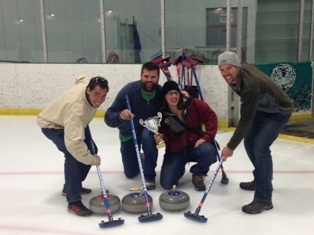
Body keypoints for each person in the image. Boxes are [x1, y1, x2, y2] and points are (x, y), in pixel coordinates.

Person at [217, 51, 293, 214]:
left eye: (229, 68)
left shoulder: (250, 85)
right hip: (262, 108)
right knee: (250, 141)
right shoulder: (237, 74)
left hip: (279, 111)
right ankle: (262, 179)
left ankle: (264, 199)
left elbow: (245, 120)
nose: (225, 73)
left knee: (260, 147)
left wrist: (230, 146)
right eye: (222, 70)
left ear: (237, 67)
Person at [37, 76, 109, 216]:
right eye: (96, 95)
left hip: (68, 121)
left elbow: (81, 77)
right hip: (53, 125)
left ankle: (70, 186)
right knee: (75, 156)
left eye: (103, 96)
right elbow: (74, 145)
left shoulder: (87, 83)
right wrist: (93, 160)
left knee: (89, 151)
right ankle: (73, 201)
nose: (100, 100)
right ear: (88, 90)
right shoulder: (77, 111)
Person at [104, 61, 162, 190]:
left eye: (153, 77)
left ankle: (149, 176)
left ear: (158, 78)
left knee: (148, 138)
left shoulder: (161, 93)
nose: (149, 80)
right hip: (129, 132)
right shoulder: (128, 91)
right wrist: (120, 115)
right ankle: (140, 158)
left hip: (148, 129)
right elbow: (108, 116)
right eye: (146, 76)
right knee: (130, 173)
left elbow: (170, 113)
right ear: (141, 75)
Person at [154, 80, 218, 191]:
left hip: (194, 147)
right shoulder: (162, 114)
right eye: (170, 93)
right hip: (175, 152)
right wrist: (161, 138)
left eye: (176, 93)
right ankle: (179, 168)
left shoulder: (192, 103)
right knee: (167, 184)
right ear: (165, 96)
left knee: (209, 151)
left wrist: (206, 137)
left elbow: (211, 116)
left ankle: (198, 173)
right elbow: (165, 138)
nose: (174, 96)